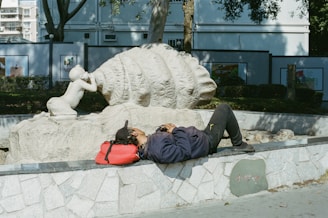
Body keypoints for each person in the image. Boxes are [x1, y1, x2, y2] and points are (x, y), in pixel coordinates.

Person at [116, 104, 255, 164]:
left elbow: (169, 144)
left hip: (200, 136)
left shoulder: (149, 146)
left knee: (218, 121)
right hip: (207, 142)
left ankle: (226, 134)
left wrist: (163, 130)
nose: (138, 128)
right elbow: (184, 151)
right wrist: (176, 130)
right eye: (135, 128)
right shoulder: (155, 149)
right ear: (134, 133)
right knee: (224, 109)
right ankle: (239, 144)